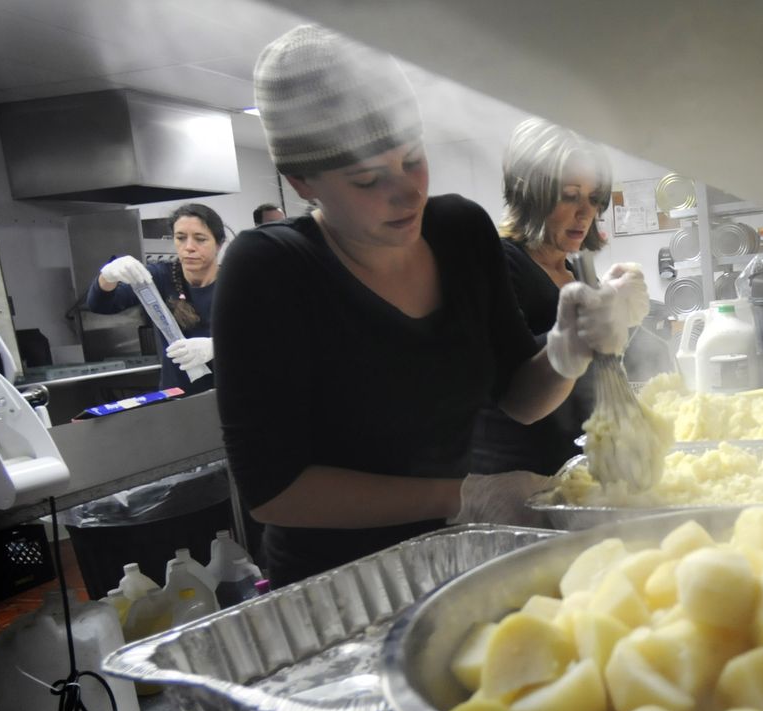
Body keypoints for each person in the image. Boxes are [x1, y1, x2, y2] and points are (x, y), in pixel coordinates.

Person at [212, 24, 648, 587]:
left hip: (458, 560)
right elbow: (273, 493)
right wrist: (463, 496)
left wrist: (569, 350)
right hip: (342, 584)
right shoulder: (271, 269)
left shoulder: (460, 230)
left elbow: (520, 400)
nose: (408, 192)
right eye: (368, 179)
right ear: (302, 182)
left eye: (413, 160)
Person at [471, 118, 627, 475]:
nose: (585, 212)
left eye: (593, 198)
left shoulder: (578, 274)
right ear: (529, 193)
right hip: (519, 481)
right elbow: (512, 393)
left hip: (574, 475)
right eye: (569, 196)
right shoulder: (498, 263)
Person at [85, 203, 222, 394]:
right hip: (177, 400)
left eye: (200, 239)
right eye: (180, 238)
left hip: (232, 396)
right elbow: (100, 304)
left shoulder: (236, 283)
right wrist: (107, 276)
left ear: (218, 244)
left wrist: (216, 347)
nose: (189, 247)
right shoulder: (159, 277)